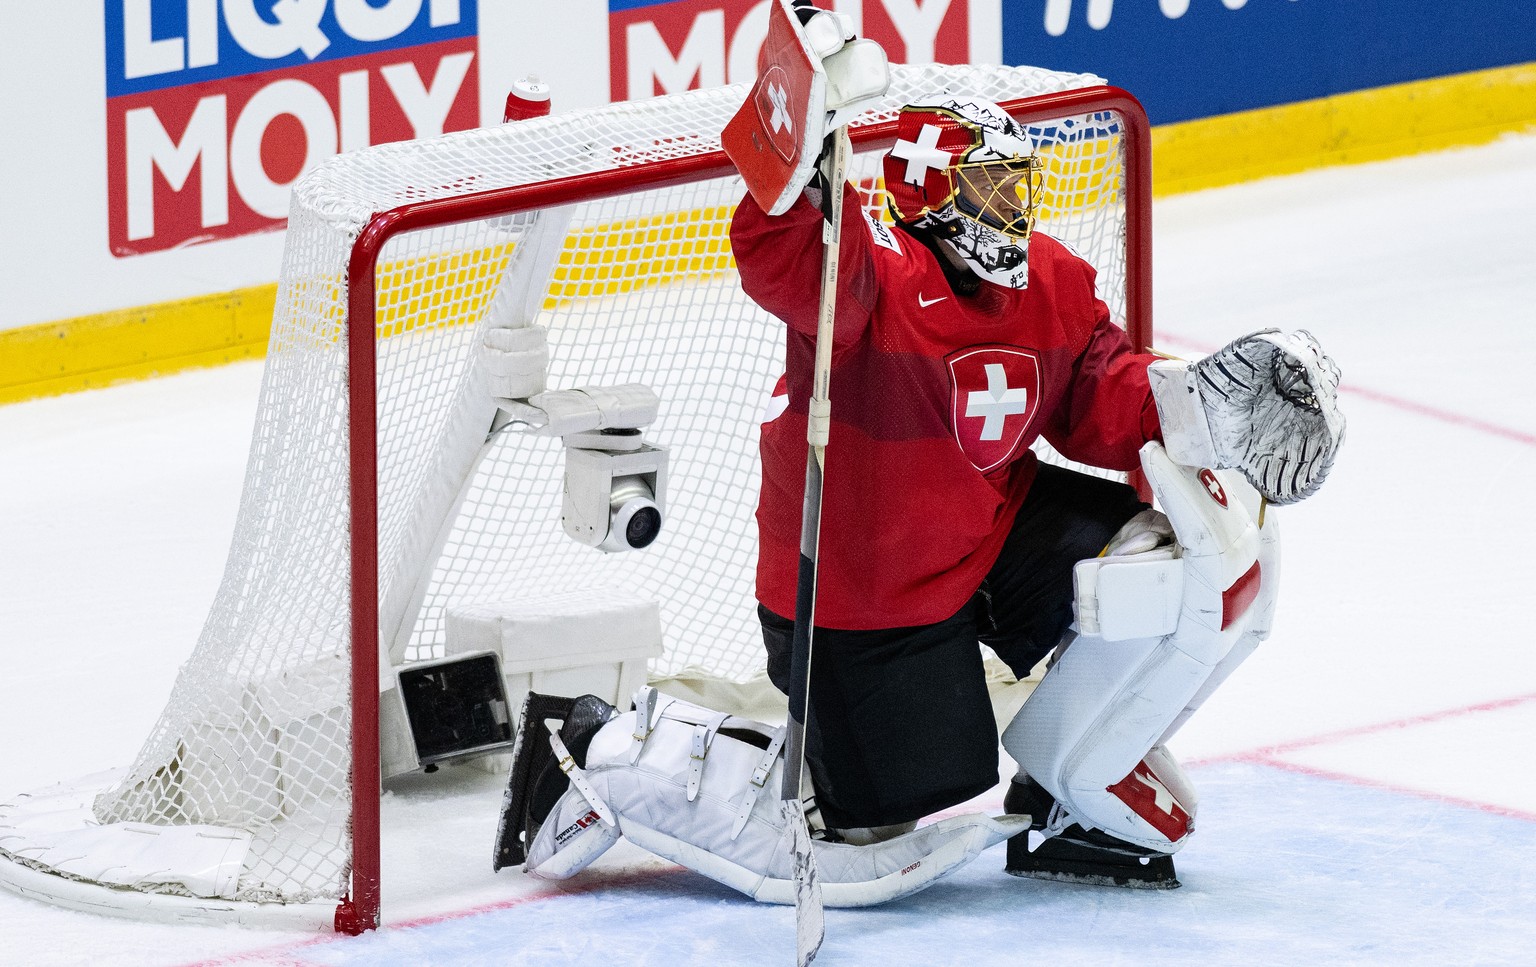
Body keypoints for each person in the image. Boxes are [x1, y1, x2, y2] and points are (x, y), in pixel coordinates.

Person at [496, 5, 1343, 900]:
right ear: (933, 194)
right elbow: (779, 254)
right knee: (889, 812)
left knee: (1153, 567)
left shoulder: (1050, 280)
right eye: (990, 189)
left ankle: (1070, 790)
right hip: (860, 592)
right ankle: (595, 749)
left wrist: (1190, 409)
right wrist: (803, 158)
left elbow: (1096, 387)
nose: (1012, 210)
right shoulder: (866, 276)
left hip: (989, 535)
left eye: (1019, 188)